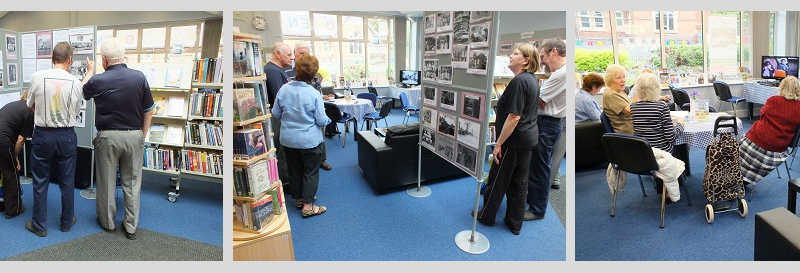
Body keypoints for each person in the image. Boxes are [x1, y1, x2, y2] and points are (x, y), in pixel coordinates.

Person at [82, 38, 153, 240]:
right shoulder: (139, 77)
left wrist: (89, 71)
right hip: (134, 136)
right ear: (124, 57)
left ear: (104, 60)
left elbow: (83, 91)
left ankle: (107, 223)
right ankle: (131, 227)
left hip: (107, 137)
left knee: (106, 182)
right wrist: (142, 135)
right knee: (132, 183)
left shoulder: (98, 80)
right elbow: (149, 110)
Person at [25, 42, 90, 237]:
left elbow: (30, 105)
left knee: (40, 181)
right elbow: (75, 111)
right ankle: (66, 222)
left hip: (43, 135)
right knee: (67, 181)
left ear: (52, 59)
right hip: (66, 136)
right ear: (70, 60)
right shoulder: (76, 82)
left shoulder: (37, 77)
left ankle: (39, 225)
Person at [477, 43, 539, 235]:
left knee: (498, 179)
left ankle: (486, 217)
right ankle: (515, 223)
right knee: (519, 183)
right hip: (528, 139)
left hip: (514, 141)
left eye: (515, 54)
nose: (510, 57)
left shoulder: (520, 81)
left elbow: (514, 118)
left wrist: (499, 144)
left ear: (526, 60)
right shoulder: (531, 80)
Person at [272, 54, 331, 218]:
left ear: (295, 69)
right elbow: (321, 120)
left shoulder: (284, 89)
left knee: (294, 170)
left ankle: (299, 199)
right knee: (310, 171)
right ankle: (308, 206)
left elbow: (275, 113)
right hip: (309, 141)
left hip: (289, 140)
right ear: (314, 74)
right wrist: (328, 119)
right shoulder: (313, 94)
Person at [525, 39, 566, 221]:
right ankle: (533, 200)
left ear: (554, 52)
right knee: (538, 164)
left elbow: (539, 101)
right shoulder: (561, 73)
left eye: (543, 56)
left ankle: (537, 209)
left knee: (540, 167)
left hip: (548, 123)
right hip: (549, 123)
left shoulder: (560, 74)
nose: (541, 61)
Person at [740, 76, 800, 185]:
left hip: (757, 140)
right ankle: (744, 179)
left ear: (782, 87)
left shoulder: (774, 100)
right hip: (778, 148)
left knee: (738, 149)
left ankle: (738, 177)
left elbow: (762, 114)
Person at [284, 42, 332, 171]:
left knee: (320, 138)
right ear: (294, 54)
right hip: (295, 113)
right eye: (301, 53)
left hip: (314, 112)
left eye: (307, 53)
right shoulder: (287, 71)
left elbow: (318, 92)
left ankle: (322, 160)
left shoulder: (314, 74)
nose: (304, 55)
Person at [264, 42, 294, 193]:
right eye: (288, 55)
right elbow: (279, 98)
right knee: (281, 150)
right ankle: (286, 183)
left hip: (281, 118)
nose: (292, 57)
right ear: (278, 53)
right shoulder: (273, 71)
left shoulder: (277, 70)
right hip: (278, 118)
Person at [630, 73, 685, 154]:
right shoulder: (662, 106)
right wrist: (680, 124)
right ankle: (682, 166)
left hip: (643, 152)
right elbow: (671, 137)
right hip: (661, 152)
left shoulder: (633, 107)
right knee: (682, 146)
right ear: (657, 88)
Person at [0, 89, 34, 219]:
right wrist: (14, 157)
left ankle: (1, 204)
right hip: (3, 141)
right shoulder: (29, 111)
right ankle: (14, 209)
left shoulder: (14, 105)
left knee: (2, 172)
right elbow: (21, 139)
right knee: (11, 174)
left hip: (2, 139)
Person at [602, 64, 634, 135]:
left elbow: (632, 104)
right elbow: (631, 111)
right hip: (629, 135)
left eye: (624, 77)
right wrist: (637, 93)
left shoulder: (619, 91)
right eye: (618, 78)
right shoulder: (611, 94)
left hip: (635, 130)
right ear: (610, 80)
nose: (623, 80)